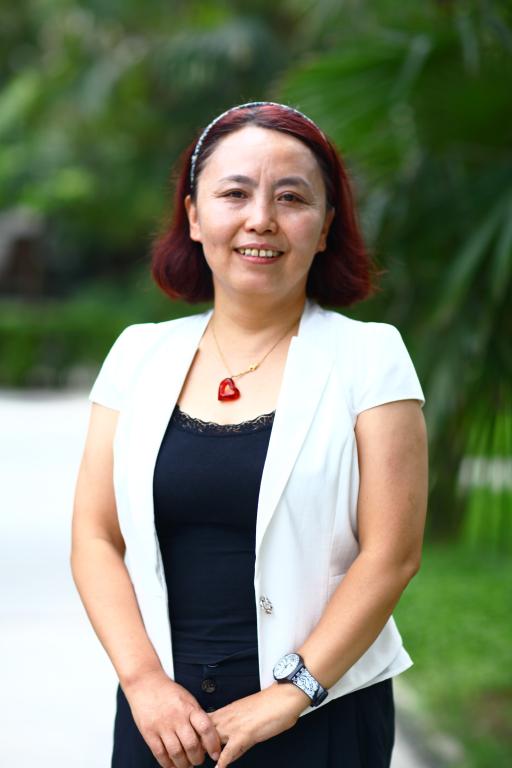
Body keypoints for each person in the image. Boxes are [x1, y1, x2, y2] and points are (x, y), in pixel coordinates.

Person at [71, 101, 428, 768]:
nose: (261, 218)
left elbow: (392, 554)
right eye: (234, 193)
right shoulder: (137, 355)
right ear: (194, 216)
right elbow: (95, 536)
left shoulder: (370, 357)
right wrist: (143, 682)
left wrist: (291, 695)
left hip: (322, 716)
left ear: (325, 226)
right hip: (164, 723)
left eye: (291, 197)